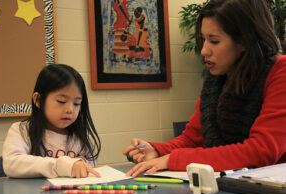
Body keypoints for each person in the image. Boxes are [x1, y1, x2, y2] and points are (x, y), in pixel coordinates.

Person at [123, 0, 286, 177]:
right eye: (203, 39)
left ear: (245, 40)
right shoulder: (218, 80)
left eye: (214, 41)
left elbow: (261, 151)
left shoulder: (280, 72)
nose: (204, 50)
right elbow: (193, 138)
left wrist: (174, 159)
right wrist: (157, 150)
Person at [2, 64, 101, 178]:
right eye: (61, 101)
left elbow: (91, 169)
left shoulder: (80, 137)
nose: (70, 110)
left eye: (77, 103)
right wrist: (60, 166)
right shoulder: (22, 130)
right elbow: (11, 164)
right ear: (38, 100)